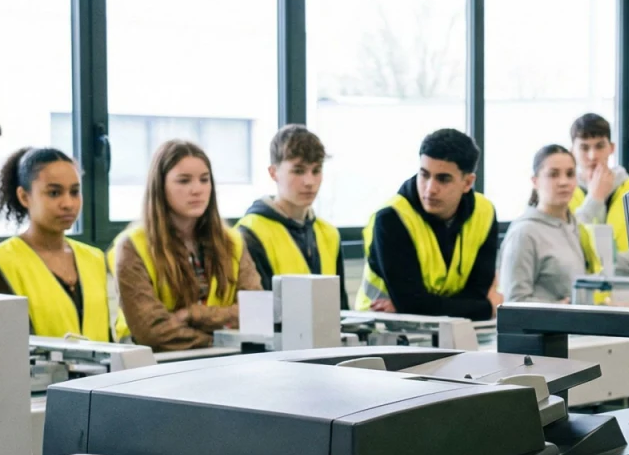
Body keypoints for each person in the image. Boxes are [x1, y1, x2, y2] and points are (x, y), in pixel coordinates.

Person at [113, 139, 261, 351]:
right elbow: (152, 331)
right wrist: (217, 339)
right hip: (156, 370)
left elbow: (256, 314)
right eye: (183, 181)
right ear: (160, 186)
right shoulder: (132, 245)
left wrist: (191, 315)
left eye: (204, 180)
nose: (197, 190)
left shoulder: (233, 241)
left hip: (227, 365)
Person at [357, 129, 501, 320]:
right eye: (424, 175)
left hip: (455, 330)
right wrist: (486, 308)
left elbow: (477, 291)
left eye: (443, 179)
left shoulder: (485, 212)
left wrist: (418, 306)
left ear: (467, 182)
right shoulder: (391, 217)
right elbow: (413, 304)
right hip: (379, 328)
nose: (430, 189)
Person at [0, 147, 111, 342]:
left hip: (104, 372)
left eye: (74, 192)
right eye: (54, 193)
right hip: (35, 372)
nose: (68, 203)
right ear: (24, 197)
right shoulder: (1, 261)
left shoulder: (94, 258)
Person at [236, 125, 348, 309]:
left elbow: (341, 309)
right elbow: (257, 314)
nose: (309, 182)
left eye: (316, 170)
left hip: (327, 335)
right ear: (273, 173)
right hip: (276, 336)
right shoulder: (249, 233)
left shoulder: (329, 234)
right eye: (298, 171)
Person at [500, 144, 602, 304]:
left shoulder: (574, 226)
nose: (563, 182)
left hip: (577, 326)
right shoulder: (524, 233)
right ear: (535, 181)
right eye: (553, 174)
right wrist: (557, 308)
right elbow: (513, 303)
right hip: (545, 328)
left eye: (570, 174)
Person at [569, 113, 629, 276]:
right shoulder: (565, 193)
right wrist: (594, 199)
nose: (592, 156)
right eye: (584, 147)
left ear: (611, 148)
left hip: (627, 288)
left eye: (599, 146)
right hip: (580, 291)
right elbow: (562, 245)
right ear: (572, 151)